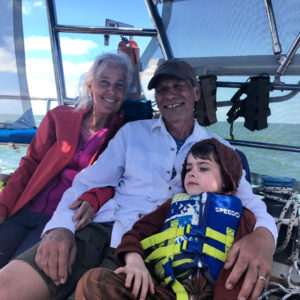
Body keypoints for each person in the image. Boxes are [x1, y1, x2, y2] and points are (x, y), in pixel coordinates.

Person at [0, 59, 276, 300]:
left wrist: (264, 238)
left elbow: (252, 205)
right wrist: (59, 229)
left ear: (195, 92)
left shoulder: (219, 150)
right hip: (98, 228)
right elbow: (86, 182)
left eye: (178, 87)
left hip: (148, 251)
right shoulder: (132, 133)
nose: (170, 95)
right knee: (8, 286)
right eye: (162, 89)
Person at [75, 138, 257, 300]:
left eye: (203, 168)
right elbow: (135, 234)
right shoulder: (172, 206)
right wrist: (135, 262)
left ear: (226, 176)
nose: (192, 173)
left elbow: (244, 268)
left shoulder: (242, 215)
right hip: (163, 291)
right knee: (95, 281)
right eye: (188, 169)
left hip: (212, 294)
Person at [0, 52, 132, 268]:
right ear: (90, 86)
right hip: (25, 209)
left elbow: (119, 182)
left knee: (13, 278)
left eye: (119, 86)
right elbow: (29, 165)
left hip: (62, 221)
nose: (111, 91)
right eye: (104, 82)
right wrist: (3, 206)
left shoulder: (124, 134)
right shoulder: (59, 117)